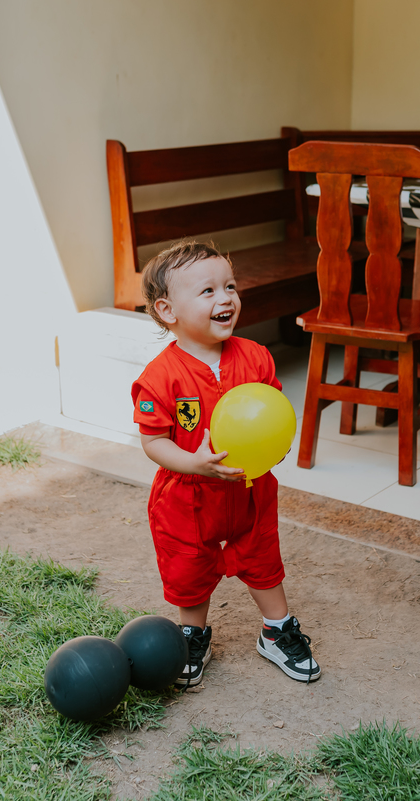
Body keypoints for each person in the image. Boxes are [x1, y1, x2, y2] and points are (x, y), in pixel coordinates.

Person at [130, 240, 320, 688]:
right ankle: (192, 634)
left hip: (250, 489)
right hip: (187, 497)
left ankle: (277, 629)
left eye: (230, 287)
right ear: (167, 310)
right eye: (208, 291)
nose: (226, 298)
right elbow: (153, 440)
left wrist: (274, 443)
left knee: (262, 558)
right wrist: (193, 463)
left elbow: (271, 409)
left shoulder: (256, 356)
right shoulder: (160, 376)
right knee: (189, 566)